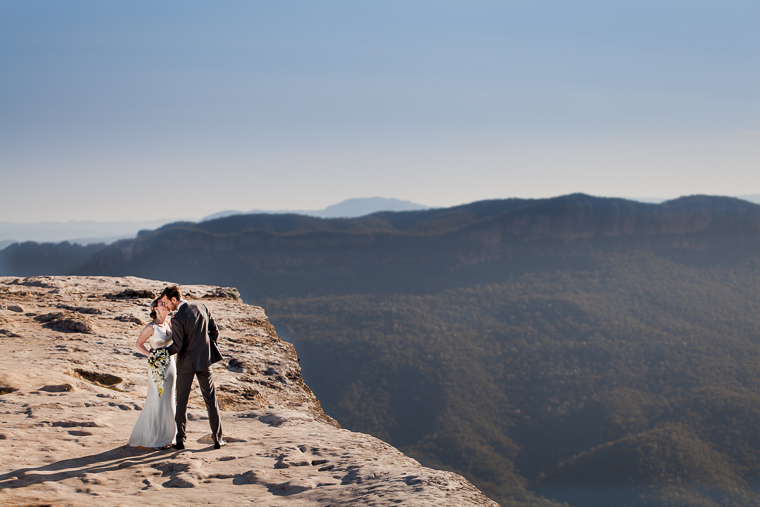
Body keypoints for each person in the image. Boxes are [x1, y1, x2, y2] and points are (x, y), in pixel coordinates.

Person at [159, 285, 225, 450]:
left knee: (182, 402)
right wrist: (207, 348)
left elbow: (177, 347)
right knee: (211, 401)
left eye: (167, 302)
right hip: (204, 361)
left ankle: (180, 441)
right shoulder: (202, 307)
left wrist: (160, 353)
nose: (166, 306)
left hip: (186, 364)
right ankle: (218, 439)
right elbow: (214, 331)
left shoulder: (177, 318)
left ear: (174, 299)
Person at [128, 298, 177, 449]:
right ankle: (155, 438)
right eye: (162, 304)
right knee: (157, 397)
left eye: (166, 303)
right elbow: (138, 344)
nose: (166, 305)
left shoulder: (169, 323)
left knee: (169, 398)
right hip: (157, 366)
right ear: (155, 308)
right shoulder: (151, 327)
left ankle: (169, 436)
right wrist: (151, 356)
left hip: (170, 365)